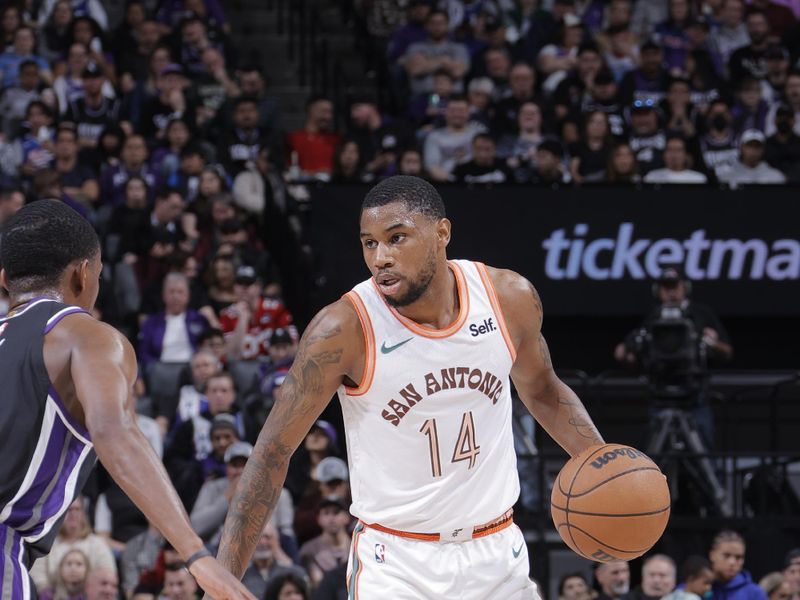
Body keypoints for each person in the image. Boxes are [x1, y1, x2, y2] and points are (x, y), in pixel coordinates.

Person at [210, 175, 605, 598]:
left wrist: (605, 465)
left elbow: (544, 390)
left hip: (497, 553)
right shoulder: (343, 329)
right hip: (396, 564)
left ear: (442, 233)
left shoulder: (507, 298)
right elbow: (272, 451)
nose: (381, 257)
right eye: (369, 243)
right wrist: (222, 583)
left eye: (396, 238)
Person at [0, 199, 254, 600]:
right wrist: (198, 557)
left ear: (4, 280)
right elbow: (115, 433)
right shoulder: (85, 336)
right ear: (83, 275)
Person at [709, 530, 767, 600]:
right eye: (726, 555)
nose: (732, 562)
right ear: (712, 555)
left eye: (738, 557)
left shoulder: (755, 593)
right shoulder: (698, 587)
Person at [718, 129, 786, 186]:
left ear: (763, 149)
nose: (753, 151)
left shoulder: (775, 177)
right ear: (741, 148)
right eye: (749, 146)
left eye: (757, 146)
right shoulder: (727, 177)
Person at [644, 136, 708, 184]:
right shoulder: (651, 177)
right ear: (664, 155)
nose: (674, 154)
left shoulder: (699, 179)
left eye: (679, 150)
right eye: (670, 150)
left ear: (686, 155)